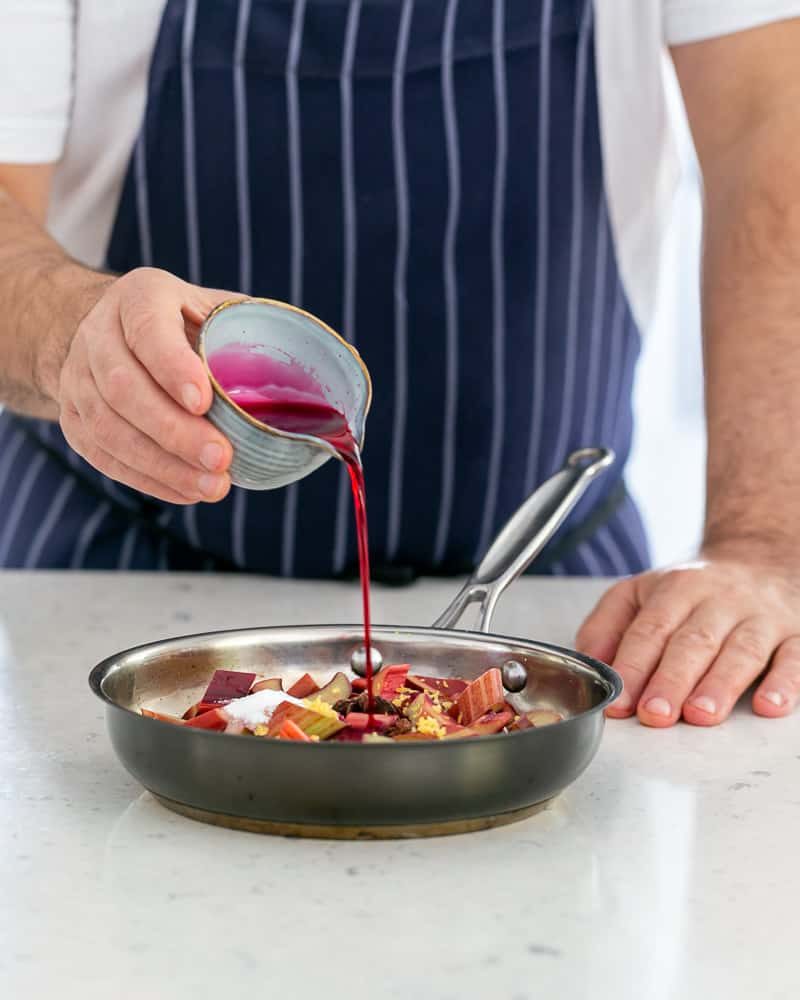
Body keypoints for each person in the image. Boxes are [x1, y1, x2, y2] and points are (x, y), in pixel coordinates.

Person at [1, 1, 799, 728]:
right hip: (107, 574)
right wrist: (73, 338)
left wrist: (764, 541)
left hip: (547, 601)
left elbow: (771, 133)